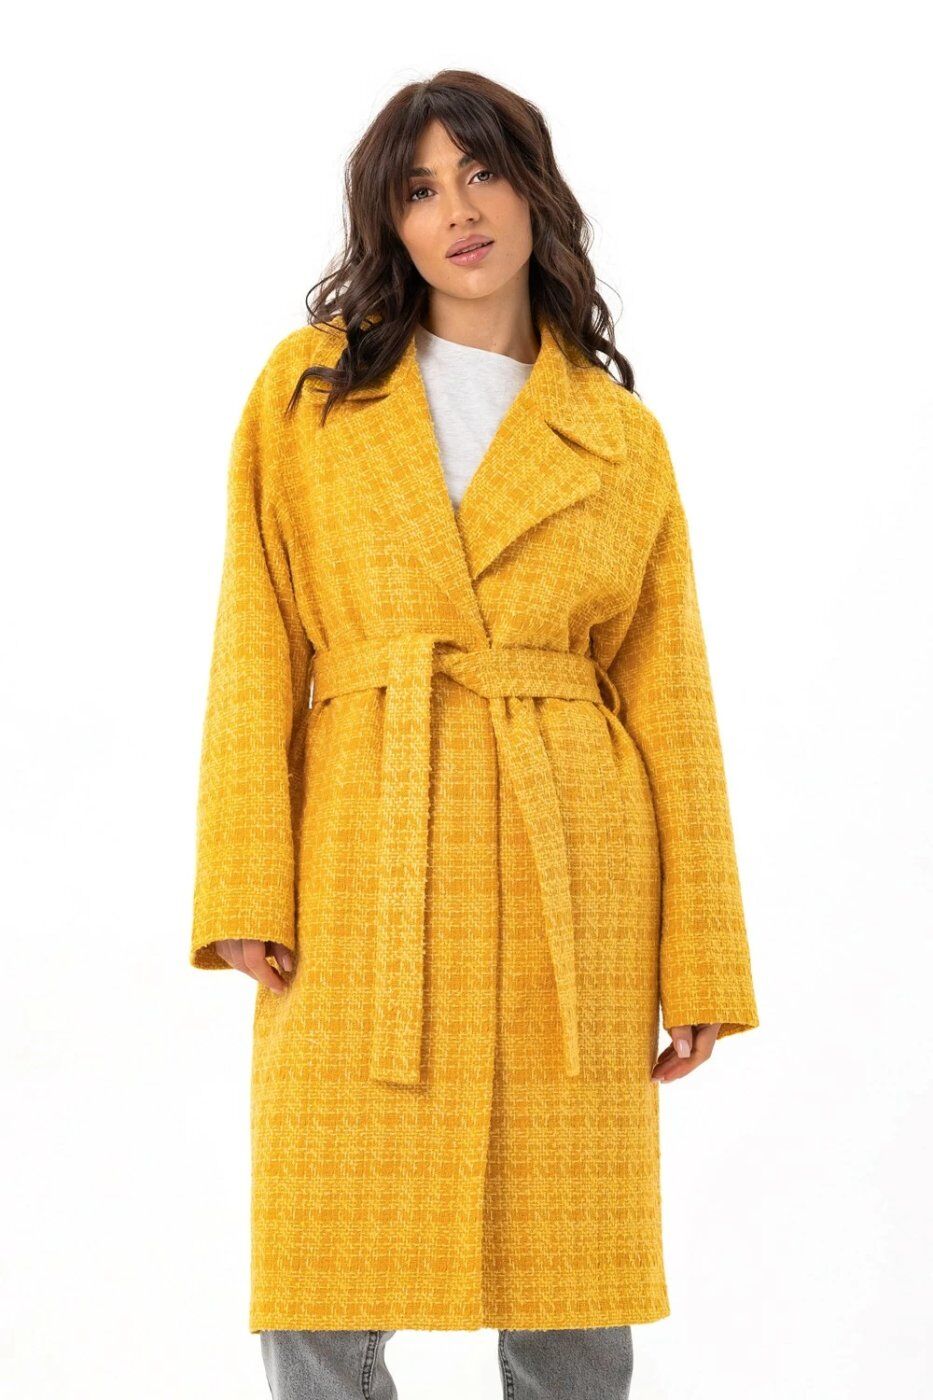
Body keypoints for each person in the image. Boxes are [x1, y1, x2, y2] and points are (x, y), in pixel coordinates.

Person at [190, 69, 759, 1399]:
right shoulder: (310, 393)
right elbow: (254, 640)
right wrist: (243, 885)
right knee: (320, 1264)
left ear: (534, 191)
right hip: (360, 852)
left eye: (483, 172)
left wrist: (700, 959)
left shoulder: (617, 435)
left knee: (572, 1283)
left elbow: (672, 700)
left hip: (572, 871)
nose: (458, 210)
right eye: (419, 188)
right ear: (387, 223)